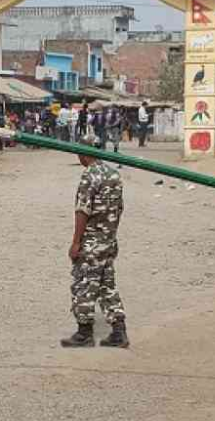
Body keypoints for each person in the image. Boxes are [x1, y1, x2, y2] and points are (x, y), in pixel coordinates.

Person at [61, 134, 129, 349]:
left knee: (83, 284)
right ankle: (119, 331)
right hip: (109, 240)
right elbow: (119, 209)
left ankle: (84, 333)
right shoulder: (113, 174)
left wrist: (76, 242)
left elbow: (82, 211)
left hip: (91, 242)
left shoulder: (89, 176)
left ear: (84, 152)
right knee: (107, 285)